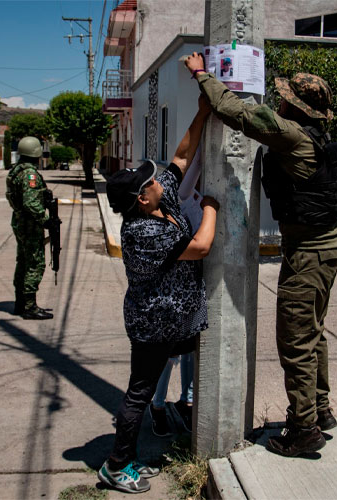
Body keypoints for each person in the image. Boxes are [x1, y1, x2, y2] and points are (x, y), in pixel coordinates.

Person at [184, 52, 337, 457]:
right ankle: (320, 409)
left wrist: (202, 73)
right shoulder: (319, 139)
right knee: (314, 333)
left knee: (296, 341)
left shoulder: (292, 135)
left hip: (309, 253)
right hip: (325, 247)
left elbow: (234, 111)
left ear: (297, 107)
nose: (282, 101)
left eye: (287, 98)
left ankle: (304, 428)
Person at [98, 96, 219, 494]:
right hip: (153, 325)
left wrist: (201, 111)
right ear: (141, 199)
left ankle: (131, 454)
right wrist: (214, 204)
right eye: (148, 181)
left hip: (174, 319)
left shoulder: (157, 201)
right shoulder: (142, 233)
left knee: (158, 382)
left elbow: (181, 160)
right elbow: (200, 246)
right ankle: (116, 465)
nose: (157, 180)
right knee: (139, 394)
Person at [5, 136, 54, 320]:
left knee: (23, 261)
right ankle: (29, 306)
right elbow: (31, 202)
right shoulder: (29, 174)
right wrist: (46, 220)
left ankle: (20, 302)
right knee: (35, 263)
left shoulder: (16, 171)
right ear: (36, 153)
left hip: (19, 222)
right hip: (29, 225)